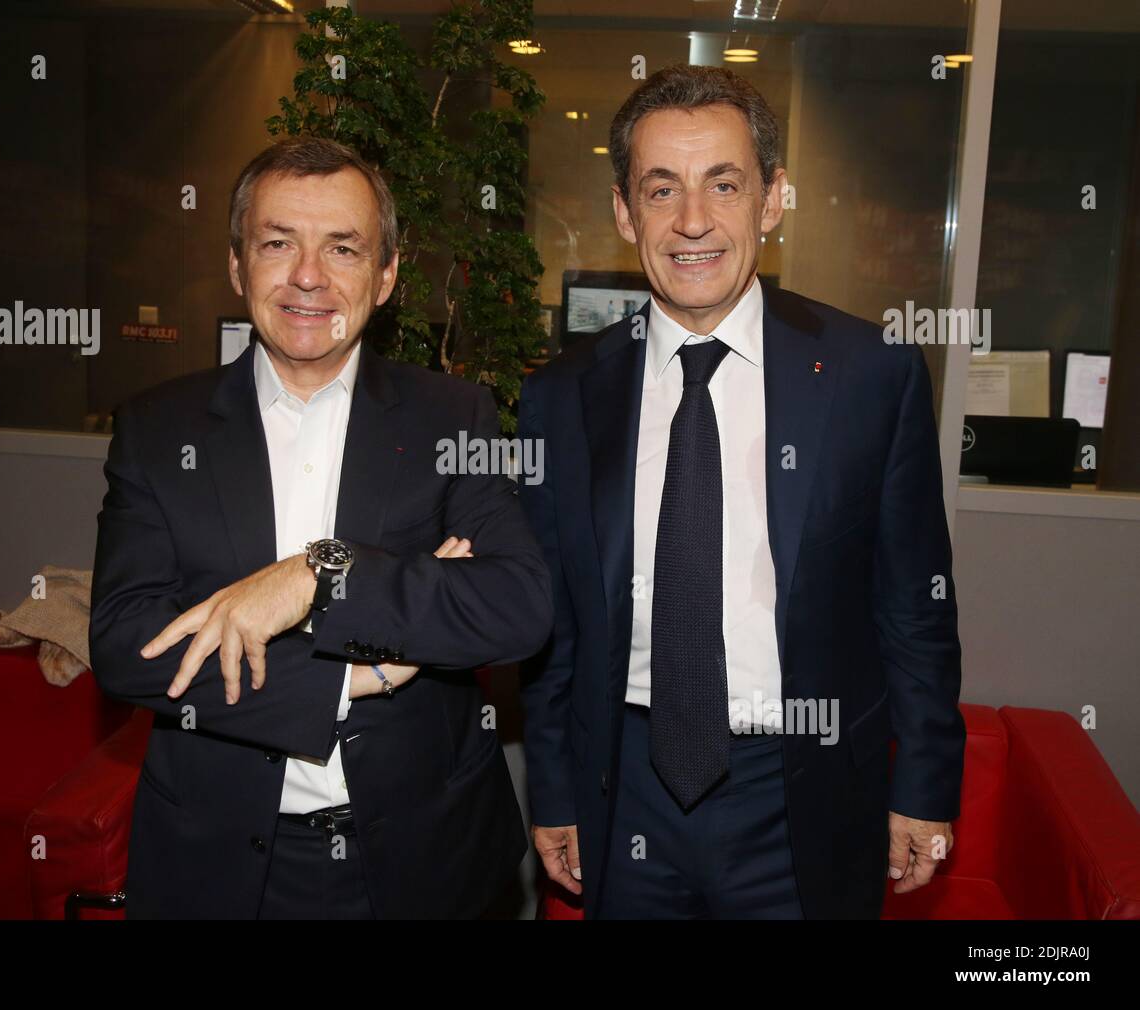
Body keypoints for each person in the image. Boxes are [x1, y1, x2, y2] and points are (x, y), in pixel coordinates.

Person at [518, 64, 965, 919]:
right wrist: (555, 791)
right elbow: (555, 630)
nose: (692, 221)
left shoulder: (871, 375)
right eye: (661, 190)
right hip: (626, 791)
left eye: (724, 184)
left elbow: (916, 603)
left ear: (772, 199)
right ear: (625, 212)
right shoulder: (560, 397)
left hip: (805, 791)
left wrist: (925, 783)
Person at [91, 136, 551, 918]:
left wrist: (319, 576)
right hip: (221, 866)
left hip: (426, 859)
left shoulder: (453, 415)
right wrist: (358, 676)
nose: (308, 275)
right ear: (238, 264)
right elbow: (130, 645)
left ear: (386, 275)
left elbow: (517, 606)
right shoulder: (158, 430)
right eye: (278, 243)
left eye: (343, 248)